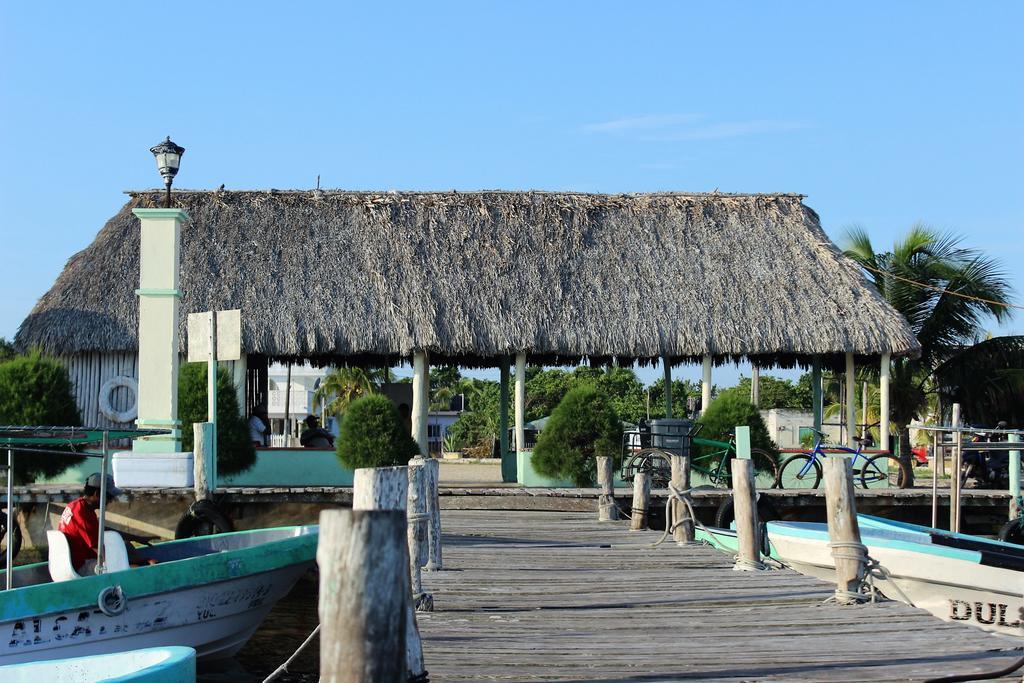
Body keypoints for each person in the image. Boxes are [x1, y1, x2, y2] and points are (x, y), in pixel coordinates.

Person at [58, 473, 158, 575]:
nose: (110, 501)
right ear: (97, 494)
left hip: (78, 561)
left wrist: (137, 538)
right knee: (137, 568)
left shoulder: (77, 505)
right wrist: (143, 563)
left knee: (125, 545)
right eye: (109, 497)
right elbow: (101, 554)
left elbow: (103, 530)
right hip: (82, 566)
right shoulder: (82, 514)